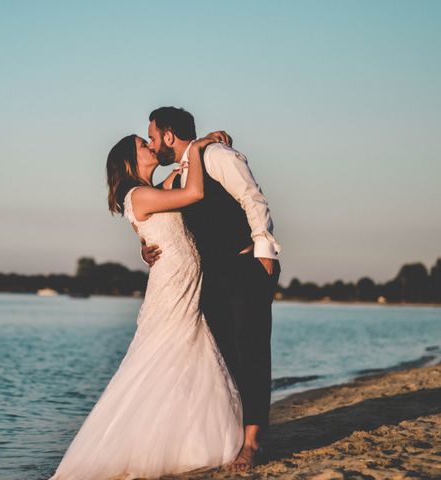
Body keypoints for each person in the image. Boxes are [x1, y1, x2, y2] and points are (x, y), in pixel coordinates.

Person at [49, 131, 243, 480]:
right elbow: (195, 192)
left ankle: (184, 440)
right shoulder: (138, 194)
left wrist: (194, 148)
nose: (151, 146)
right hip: (172, 288)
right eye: (143, 144)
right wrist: (198, 146)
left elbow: (177, 181)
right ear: (129, 160)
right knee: (166, 356)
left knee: (184, 358)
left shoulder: (152, 191)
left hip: (183, 283)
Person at [142, 106, 282, 472]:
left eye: (154, 137)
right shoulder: (180, 174)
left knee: (251, 348)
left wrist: (264, 250)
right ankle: (235, 431)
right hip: (212, 275)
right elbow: (150, 209)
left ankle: (252, 443)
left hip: (247, 262)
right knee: (225, 353)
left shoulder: (217, 155)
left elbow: (253, 197)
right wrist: (146, 244)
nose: (153, 144)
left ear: (170, 135)